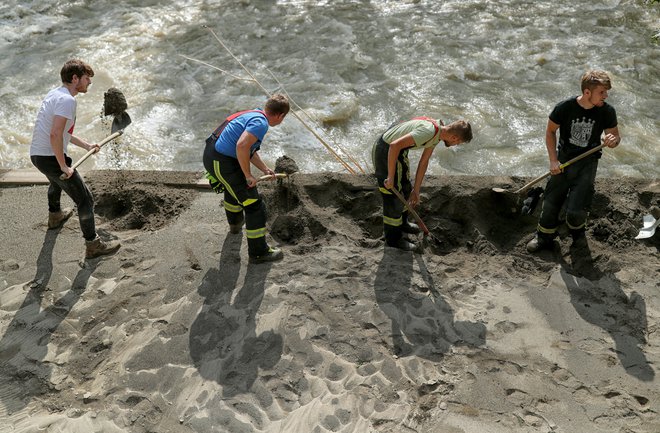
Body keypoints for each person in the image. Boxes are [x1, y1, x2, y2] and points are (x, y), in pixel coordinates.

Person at [30, 59, 121, 259]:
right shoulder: (67, 101)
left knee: (56, 181)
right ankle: (93, 245)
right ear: (75, 78)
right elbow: (55, 135)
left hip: (37, 155)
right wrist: (62, 165)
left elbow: (63, 133)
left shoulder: (55, 94)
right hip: (50, 157)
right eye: (86, 78)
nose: (89, 82)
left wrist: (87, 145)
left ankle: (55, 216)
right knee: (85, 200)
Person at [527, 69, 620, 253]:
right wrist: (553, 161)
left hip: (588, 163)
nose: (606, 96)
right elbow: (550, 131)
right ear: (587, 92)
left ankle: (577, 235)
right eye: (602, 92)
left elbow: (615, 136)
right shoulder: (565, 107)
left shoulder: (607, 111)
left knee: (577, 208)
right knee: (552, 200)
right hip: (564, 160)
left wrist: (612, 141)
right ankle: (544, 237)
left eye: (606, 92)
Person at [203, 94, 289, 264]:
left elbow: (248, 148)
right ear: (280, 116)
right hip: (222, 162)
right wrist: (248, 176)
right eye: (283, 118)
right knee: (255, 206)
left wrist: (264, 168)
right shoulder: (260, 124)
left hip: (215, 154)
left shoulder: (254, 114)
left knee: (232, 189)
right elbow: (242, 146)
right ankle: (258, 253)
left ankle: (235, 226)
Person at [372, 117, 473, 251]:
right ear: (454, 138)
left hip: (399, 152)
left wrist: (416, 190)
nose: (456, 145)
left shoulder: (437, 132)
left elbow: (424, 162)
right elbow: (394, 145)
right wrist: (390, 176)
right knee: (393, 197)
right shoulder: (429, 132)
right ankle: (393, 239)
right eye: (458, 143)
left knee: (406, 188)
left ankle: (402, 224)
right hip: (386, 152)